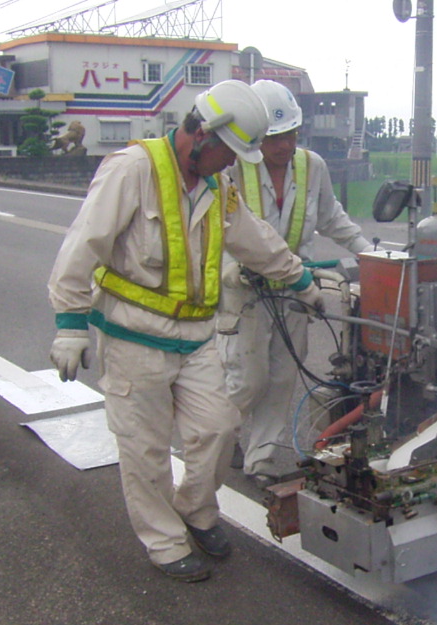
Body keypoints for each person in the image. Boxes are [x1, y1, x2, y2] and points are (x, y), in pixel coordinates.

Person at [47, 79, 325, 583]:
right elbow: (83, 244)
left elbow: (254, 241)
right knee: (145, 448)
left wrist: (301, 279)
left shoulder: (218, 186)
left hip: (196, 337)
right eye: (229, 153)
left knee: (218, 429)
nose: (232, 164)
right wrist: (69, 324)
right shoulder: (133, 169)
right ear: (203, 135)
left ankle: (196, 511)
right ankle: (165, 540)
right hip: (134, 338)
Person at [217, 80, 370, 482]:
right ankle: (218, 437)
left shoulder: (311, 165)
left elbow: (331, 215)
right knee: (247, 379)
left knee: (283, 377)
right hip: (245, 291)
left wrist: (368, 253)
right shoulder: (232, 167)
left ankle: (261, 460)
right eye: (273, 138)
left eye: (290, 135)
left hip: (296, 287)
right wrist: (227, 270)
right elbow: (212, 228)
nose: (283, 146)